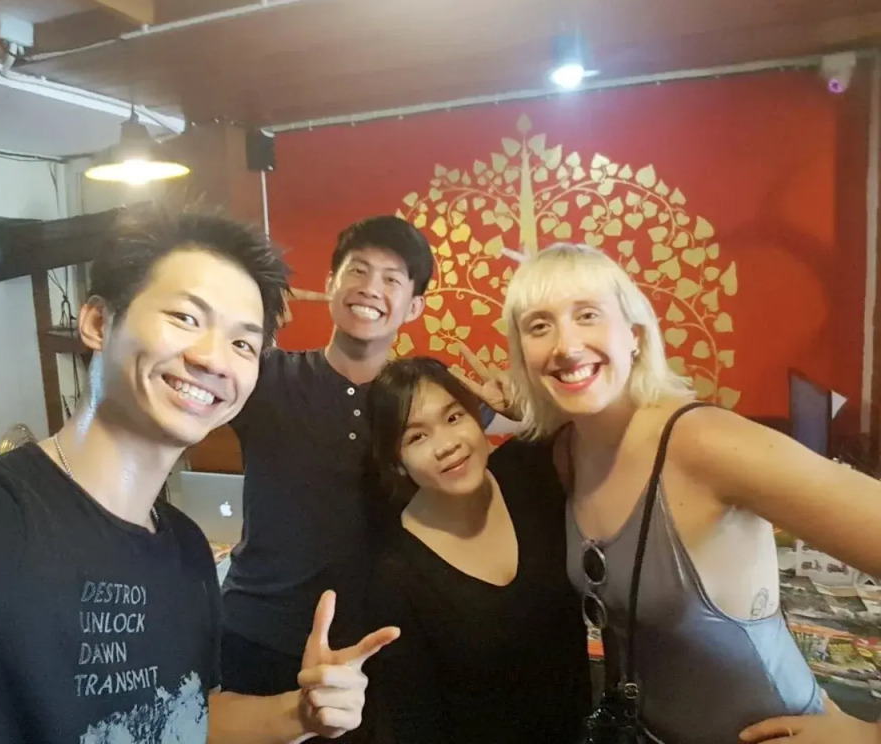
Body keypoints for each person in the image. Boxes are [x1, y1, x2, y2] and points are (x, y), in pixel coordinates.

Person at [0, 211, 398, 744]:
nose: (214, 359)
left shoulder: (186, 553)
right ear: (97, 322)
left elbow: (179, 715)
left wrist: (298, 714)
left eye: (243, 344)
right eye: (186, 318)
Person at [502, 241, 881, 744]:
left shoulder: (705, 443)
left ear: (635, 336)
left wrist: (866, 736)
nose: (565, 345)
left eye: (588, 315)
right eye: (539, 326)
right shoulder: (566, 452)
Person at [219, 216, 435, 714]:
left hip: (377, 645)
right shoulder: (265, 376)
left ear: (413, 306)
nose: (370, 288)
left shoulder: (422, 402)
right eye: (357, 270)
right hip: (255, 633)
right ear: (330, 283)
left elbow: (514, 418)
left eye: (391, 279)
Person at [363, 357, 591, 743]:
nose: (447, 445)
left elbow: (615, 433)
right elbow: (412, 722)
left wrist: (536, 408)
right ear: (396, 463)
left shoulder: (529, 469)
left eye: (454, 417)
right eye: (417, 437)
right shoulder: (395, 574)